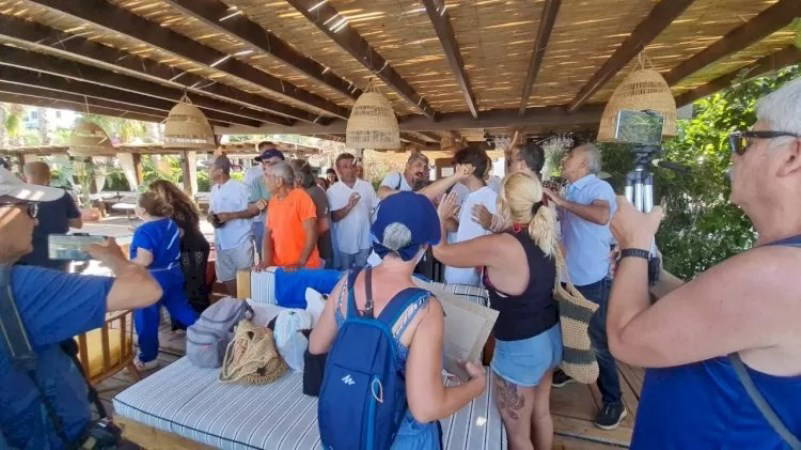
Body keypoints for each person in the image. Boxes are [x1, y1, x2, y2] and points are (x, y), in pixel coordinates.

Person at [607, 79, 801, 449]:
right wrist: (652, 270)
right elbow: (716, 318)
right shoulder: (781, 265)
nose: (734, 155)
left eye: (745, 142)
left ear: (792, 156)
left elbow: (624, 340)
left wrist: (635, 245)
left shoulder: (776, 274)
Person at [0, 167, 162, 449]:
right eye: (28, 209)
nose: (35, 221)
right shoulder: (21, 287)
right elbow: (146, 290)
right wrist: (115, 258)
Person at [310, 191, 486, 449]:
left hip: (347, 427)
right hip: (398, 437)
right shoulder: (424, 308)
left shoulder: (347, 283)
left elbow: (316, 345)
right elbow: (425, 409)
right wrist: (477, 386)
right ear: (425, 246)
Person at [433, 172, 562, 450]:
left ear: (502, 203)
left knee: (518, 435)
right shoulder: (542, 233)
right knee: (541, 413)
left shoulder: (500, 245)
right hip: (550, 337)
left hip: (521, 348)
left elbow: (441, 252)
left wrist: (440, 218)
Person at [544, 143, 624, 429]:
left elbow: (602, 215)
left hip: (590, 276)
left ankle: (614, 401)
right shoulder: (571, 189)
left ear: (584, 165)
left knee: (598, 340)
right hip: (568, 273)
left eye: (572, 156)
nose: (566, 159)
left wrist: (561, 202)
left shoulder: (598, 188)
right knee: (568, 327)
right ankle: (572, 369)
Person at [129, 191, 199, 370]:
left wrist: (125, 263)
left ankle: (148, 358)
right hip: (173, 274)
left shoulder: (143, 231)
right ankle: (211, 333)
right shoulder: (171, 223)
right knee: (182, 309)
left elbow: (145, 259)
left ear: (143, 210)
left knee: (146, 319)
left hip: (150, 280)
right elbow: (180, 234)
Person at [148, 180, 210, 315]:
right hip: (196, 244)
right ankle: (200, 317)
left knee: (192, 284)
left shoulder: (174, 208)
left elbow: (179, 232)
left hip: (190, 248)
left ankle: (197, 318)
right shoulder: (184, 203)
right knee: (196, 283)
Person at [208, 156, 264, 295]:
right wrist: (211, 217)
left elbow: (254, 210)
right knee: (227, 278)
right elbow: (212, 211)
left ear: (220, 170)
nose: (207, 170)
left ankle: (246, 304)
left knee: (245, 280)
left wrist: (230, 216)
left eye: (210, 167)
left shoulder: (240, 188)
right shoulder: (214, 189)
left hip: (240, 241)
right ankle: (237, 302)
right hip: (221, 242)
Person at [442, 145, 498, 286]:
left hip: (469, 279)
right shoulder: (471, 196)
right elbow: (460, 228)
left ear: (469, 168)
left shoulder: (489, 198)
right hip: (460, 274)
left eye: (458, 165)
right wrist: (445, 215)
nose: (456, 170)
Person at [18, 161, 82, 271]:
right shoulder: (62, 195)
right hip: (59, 252)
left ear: (23, 177)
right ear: (49, 176)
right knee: (61, 280)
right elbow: (77, 224)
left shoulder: (15, 197)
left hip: (27, 255)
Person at [257, 162, 321, 269]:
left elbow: (312, 232)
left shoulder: (301, 197)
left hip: (304, 267)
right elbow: (268, 234)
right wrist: (266, 262)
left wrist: (300, 262)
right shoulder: (273, 201)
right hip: (281, 267)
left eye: (268, 176)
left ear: (279, 181)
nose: (264, 181)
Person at [473, 142, 546, 232]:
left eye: (510, 162)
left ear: (522, 165)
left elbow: (518, 231)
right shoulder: (535, 189)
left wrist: (491, 222)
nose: (509, 166)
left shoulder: (523, 193)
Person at [326, 153, 379, 270]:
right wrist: (349, 206)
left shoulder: (367, 187)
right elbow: (334, 217)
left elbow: (376, 209)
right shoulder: (332, 191)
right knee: (345, 274)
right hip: (344, 242)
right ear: (338, 169)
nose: (350, 169)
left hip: (365, 240)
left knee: (362, 274)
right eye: (345, 166)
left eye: (352, 166)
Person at [378, 151, 476, 201]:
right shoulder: (396, 177)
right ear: (408, 166)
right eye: (418, 165)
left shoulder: (421, 184)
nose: (422, 170)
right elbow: (382, 193)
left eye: (425, 167)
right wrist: (415, 196)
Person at [291, 159, 334, 268]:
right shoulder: (300, 193)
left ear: (299, 178)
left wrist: (305, 241)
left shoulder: (315, 193)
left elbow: (324, 226)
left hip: (318, 254)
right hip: (305, 253)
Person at [247, 144, 284, 260]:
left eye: (268, 162)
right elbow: (251, 208)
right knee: (266, 261)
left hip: (287, 231)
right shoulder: (257, 181)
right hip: (266, 228)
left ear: (280, 164)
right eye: (263, 162)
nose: (264, 166)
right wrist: (257, 206)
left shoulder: (293, 180)